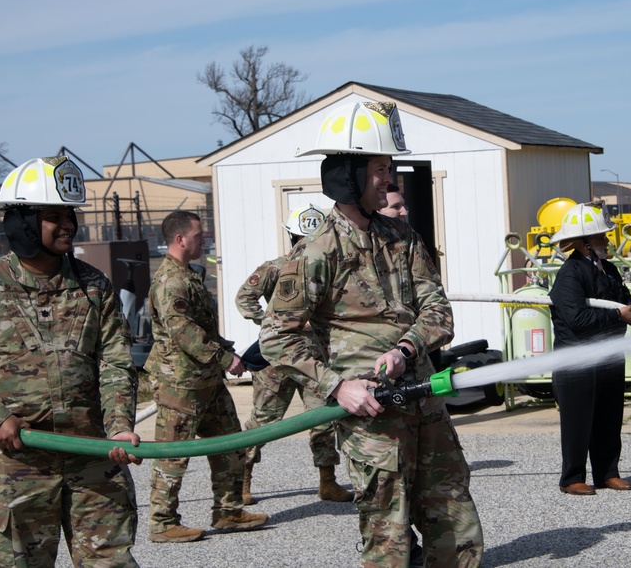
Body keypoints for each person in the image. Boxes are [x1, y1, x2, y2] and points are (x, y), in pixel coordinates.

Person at [261, 101, 483, 567]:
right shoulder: (317, 251)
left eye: (390, 167)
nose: (390, 179)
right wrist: (337, 387)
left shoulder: (402, 238)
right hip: (371, 418)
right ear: (348, 175)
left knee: (455, 520)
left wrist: (407, 347)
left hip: (423, 401)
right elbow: (277, 338)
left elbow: (437, 310)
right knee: (388, 537)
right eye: (380, 168)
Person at [0, 155, 142, 567]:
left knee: (111, 562)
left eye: (70, 215)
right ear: (23, 223)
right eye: (54, 216)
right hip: (17, 463)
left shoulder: (92, 285)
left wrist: (120, 425)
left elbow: (115, 360)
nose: (68, 224)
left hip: (92, 456)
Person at [146, 210, 268, 542]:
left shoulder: (188, 275)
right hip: (181, 384)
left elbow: (200, 326)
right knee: (172, 454)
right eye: (200, 235)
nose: (205, 240)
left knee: (230, 443)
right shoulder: (172, 281)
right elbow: (182, 331)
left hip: (206, 380)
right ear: (180, 239)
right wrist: (225, 358)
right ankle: (162, 522)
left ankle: (228, 512)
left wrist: (227, 353)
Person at [234, 203, 353, 504]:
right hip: (276, 361)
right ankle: (241, 482)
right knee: (263, 422)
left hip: (314, 361)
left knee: (322, 420)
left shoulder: (329, 271)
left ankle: (328, 481)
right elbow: (244, 298)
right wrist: (273, 324)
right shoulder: (275, 267)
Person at [548, 202, 631, 495]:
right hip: (577, 360)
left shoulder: (608, 269)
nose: (607, 241)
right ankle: (572, 477)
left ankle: (607, 473)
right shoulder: (570, 275)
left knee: (609, 417)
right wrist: (617, 316)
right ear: (585, 243)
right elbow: (577, 319)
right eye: (601, 237)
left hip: (609, 356)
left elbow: (625, 302)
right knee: (578, 421)